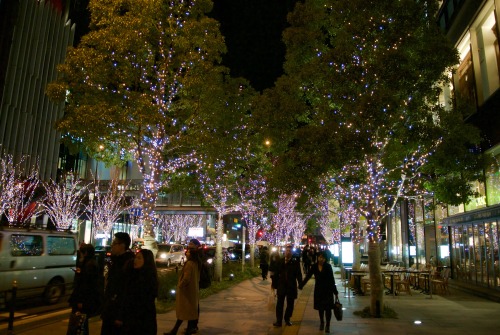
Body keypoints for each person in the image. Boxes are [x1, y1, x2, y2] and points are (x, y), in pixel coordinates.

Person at [100, 232, 134, 335]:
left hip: (116, 311)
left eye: (114, 243)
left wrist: (120, 315)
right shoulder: (117, 261)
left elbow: (126, 291)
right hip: (110, 308)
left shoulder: (127, 264)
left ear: (122, 245)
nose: (112, 246)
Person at [164, 242, 202, 335]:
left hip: (186, 292)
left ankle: (176, 331)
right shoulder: (196, 263)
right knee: (187, 312)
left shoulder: (189, 264)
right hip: (192, 291)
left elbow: (186, 278)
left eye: (188, 252)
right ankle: (180, 330)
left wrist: (180, 286)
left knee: (183, 312)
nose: (186, 253)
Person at [299, 251, 339, 333]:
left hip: (328, 290)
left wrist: (335, 291)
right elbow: (308, 276)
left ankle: (327, 325)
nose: (321, 259)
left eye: (323, 258)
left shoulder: (328, 266)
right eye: (320, 257)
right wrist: (302, 284)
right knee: (320, 308)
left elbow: (332, 279)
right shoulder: (314, 266)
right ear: (317, 258)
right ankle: (322, 322)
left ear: (325, 259)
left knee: (328, 309)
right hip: (319, 290)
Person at [121, 249, 158, 335]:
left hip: (143, 321)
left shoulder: (148, 279)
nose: (135, 260)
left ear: (146, 260)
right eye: (135, 257)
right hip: (131, 320)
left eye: (139, 258)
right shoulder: (132, 275)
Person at [68, 243, 101, 335]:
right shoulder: (90, 263)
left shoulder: (89, 265)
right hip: (84, 299)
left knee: (80, 321)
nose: (80, 255)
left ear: (85, 253)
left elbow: (86, 284)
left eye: (81, 253)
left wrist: (80, 300)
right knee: (82, 321)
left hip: (82, 299)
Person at [273, 245, 303, 327]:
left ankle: (287, 319)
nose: (288, 252)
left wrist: (300, 284)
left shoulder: (295, 263)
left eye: (290, 251)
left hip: (291, 286)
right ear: (284, 252)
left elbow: (299, 275)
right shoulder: (280, 262)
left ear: (292, 253)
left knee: (290, 304)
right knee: (279, 304)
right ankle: (279, 321)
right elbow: (276, 274)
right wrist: (274, 286)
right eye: (287, 250)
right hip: (281, 286)